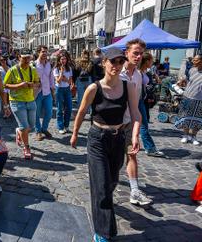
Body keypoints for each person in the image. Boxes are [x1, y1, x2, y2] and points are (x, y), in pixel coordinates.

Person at [70, 47, 140, 242]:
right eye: (113, 62)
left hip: (118, 139)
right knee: (101, 186)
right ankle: (103, 233)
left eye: (120, 62)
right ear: (104, 63)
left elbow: (135, 114)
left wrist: (134, 136)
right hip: (97, 139)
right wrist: (75, 134)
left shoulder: (129, 87)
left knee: (111, 181)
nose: (117, 66)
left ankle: (103, 203)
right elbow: (82, 112)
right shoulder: (94, 88)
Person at [120, 38, 152, 206]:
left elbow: (135, 107)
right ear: (127, 53)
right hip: (113, 124)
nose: (139, 56)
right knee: (113, 161)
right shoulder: (118, 72)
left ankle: (134, 190)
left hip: (129, 122)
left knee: (132, 155)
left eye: (141, 54)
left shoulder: (139, 75)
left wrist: (135, 132)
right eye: (135, 53)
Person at [4, 49, 40, 159]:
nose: (26, 60)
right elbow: (5, 85)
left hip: (30, 100)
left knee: (32, 126)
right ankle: (27, 148)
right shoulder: (12, 70)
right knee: (25, 127)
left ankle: (19, 131)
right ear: (19, 57)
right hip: (16, 101)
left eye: (28, 58)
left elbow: (37, 84)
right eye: (24, 58)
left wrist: (31, 85)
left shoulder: (32, 69)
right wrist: (19, 86)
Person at [138, 53, 165, 157]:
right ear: (146, 61)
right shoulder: (139, 72)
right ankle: (150, 148)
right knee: (143, 125)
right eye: (151, 60)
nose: (152, 62)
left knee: (142, 124)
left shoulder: (145, 71)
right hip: (138, 101)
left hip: (142, 100)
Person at [175, 55, 202, 145]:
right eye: (193, 59)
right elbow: (186, 79)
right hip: (187, 96)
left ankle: (193, 136)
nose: (193, 61)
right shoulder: (191, 70)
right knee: (185, 116)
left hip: (200, 99)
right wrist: (181, 81)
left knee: (197, 119)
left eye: (196, 60)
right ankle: (185, 135)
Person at [34, 45, 55, 141]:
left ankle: (44, 128)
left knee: (49, 112)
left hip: (47, 92)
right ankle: (38, 131)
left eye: (46, 52)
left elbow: (51, 78)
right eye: (43, 52)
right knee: (36, 113)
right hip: (37, 92)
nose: (45, 54)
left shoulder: (49, 64)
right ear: (38, 52)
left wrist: (53, 89)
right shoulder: (33, 65)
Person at [53, 50, 73, 134]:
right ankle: (60, 126)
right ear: (59, 60)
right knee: (60, 108)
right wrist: (61, 73)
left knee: (69, 108)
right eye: (61, 59)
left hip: (67, 89)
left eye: (64, 59)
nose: (63, 61)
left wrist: (65, 79)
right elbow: (58, 81)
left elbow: (70, 81)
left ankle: (66, 125)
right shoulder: (56, 69)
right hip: (59, 89)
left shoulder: (69, 68)